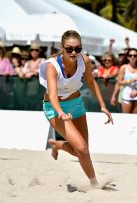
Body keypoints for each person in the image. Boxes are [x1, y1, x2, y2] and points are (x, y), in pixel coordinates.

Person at [39, 30, 113, 190]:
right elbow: (52, 94)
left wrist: (103, 105)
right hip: (54, 108)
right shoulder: (52, 66)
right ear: (62, 48)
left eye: (78, 49)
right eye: (69, 49)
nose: (74, 52)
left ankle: (58, 145)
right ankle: (95, 185)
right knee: (82, 149)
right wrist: (60, 112)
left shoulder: (84, 61)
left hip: (76, 104)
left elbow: (91, 83)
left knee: (82, 150)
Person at [117, 48, 137, 113]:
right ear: (127, 57)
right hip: (127, 95)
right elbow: (119, 82)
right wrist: (130, 80)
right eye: (130, 55)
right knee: (127, 118)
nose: (132, 57)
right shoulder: (124, 67)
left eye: (135, 55)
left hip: (136, 94)